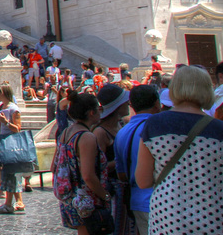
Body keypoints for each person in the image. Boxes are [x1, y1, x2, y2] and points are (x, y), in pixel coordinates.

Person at [135, 65, 223, 235]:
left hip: (167, 218)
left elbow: (143, 181)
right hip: (212, 218)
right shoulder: (219, 130)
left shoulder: (154, 124)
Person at [53, 90, 112, 234]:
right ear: (91, 112)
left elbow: (54, 166)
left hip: (70, 199)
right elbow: (88, 176)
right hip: (87, 201)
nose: (100, 113)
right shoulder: (87, 137)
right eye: (99, 109)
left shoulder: (65, 133)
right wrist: (105, 196)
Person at [113, 84, 160, 235]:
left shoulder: (122, 132)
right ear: (157, 103)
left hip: (136, 201)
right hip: (159, 199)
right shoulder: (158, 129)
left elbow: (121, 175)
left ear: (132, 105)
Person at [93, 84, 128, 228]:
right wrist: (121, 161)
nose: (128, 103)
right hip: (112, 190)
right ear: (118, 106)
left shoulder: (121, 124)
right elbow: (98, 167)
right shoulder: (100, 132)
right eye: (125, 101)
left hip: (123, 187)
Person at [0, 83, 24, 215]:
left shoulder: (13, 109)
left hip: (11, 143)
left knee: (10, 172)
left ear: (3, 93)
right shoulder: (1, 107)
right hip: (3, 142)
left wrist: (6, 122)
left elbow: (18, 128)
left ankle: (8, 204)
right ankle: (18, 202)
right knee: (7, 172)